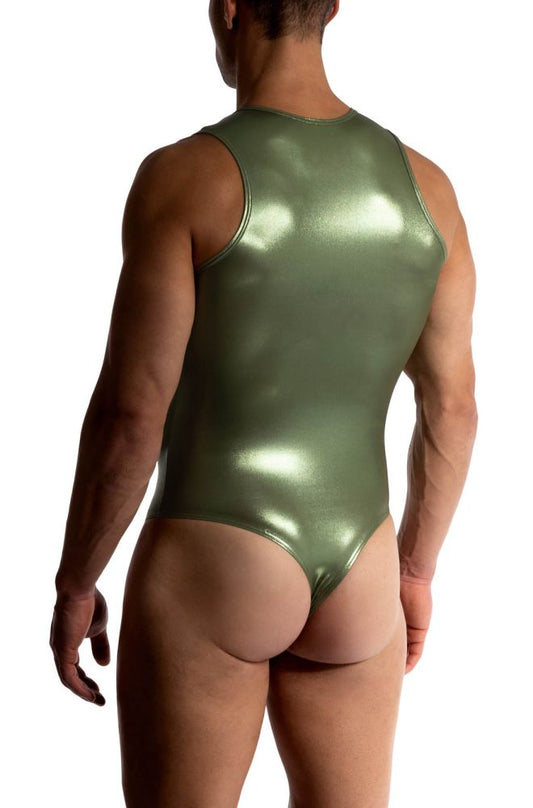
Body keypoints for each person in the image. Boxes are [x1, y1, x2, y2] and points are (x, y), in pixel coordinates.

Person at [49, 0, 478, 805]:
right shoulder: (428, 188)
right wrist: (414, 571)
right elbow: (451, 406)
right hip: (361, 565)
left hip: (213, 555)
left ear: (227, 9)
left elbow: (131, 412)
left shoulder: (183, 176)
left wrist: (78, 579)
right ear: (333, 6)